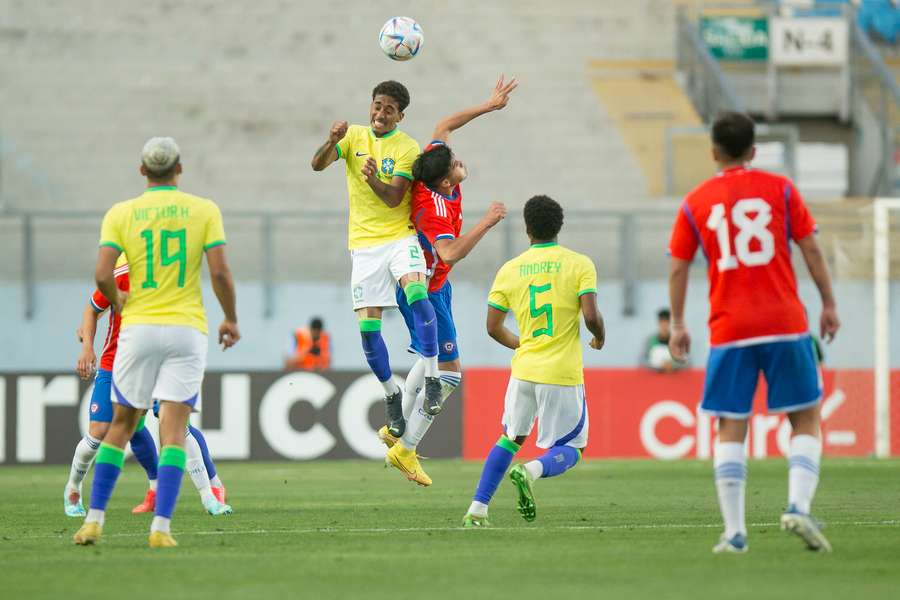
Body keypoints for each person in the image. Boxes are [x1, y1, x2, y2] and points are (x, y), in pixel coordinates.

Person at [667, 112, 840, 554]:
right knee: (804, 416)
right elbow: (811, 247)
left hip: (730, 327)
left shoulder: (695, 202)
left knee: (731, 424)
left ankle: (735, 532)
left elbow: (679, 266)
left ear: (713, 152)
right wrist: (829, 303)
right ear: (754, 150)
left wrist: (680, 323)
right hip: (785, 321)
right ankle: (798, 505)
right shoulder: (781, 189)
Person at [73, 136, 240, 548]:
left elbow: (101, 275)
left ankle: (93, 521)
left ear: (142, 171)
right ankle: (161, 530)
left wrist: (118, 300)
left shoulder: (121, 213)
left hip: (139, 328)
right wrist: (231, 318)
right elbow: (219, 273)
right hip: (186, 328)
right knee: (174, 429)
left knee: (121, 426)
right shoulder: (204, 210)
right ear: (179, 169)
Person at [380, 75, 516, 486]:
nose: (460, 161)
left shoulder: (436, 165)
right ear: (444, 182)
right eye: (456, 163)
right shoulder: (434, 207)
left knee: (428, 359)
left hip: (437, 285)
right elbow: (450, 252)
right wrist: (488, 222)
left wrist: (488, 106)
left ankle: (395, 429)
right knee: (451, 374)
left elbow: (443, 126)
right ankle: (406, 450)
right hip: (423, 287)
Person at [462, 196, 605, 527]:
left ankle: (477, 511)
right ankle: (530, 470)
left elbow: (493, 327)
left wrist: (522, 344)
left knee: (509, 438)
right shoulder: (579, 263)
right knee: (573, 447)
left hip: (523, 371)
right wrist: (600, 335)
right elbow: (590, 314)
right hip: (561, 373)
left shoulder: (510, 270)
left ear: (527, 229)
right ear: (559, 227)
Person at [310, 81, 440, 438]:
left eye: (389, 109)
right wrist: (330, 140)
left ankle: (432, 380)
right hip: (364, 247)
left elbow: (395, 199)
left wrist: (370, 180)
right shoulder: (351, 136)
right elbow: (317, 164)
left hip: (400, 237)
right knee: (368, 332)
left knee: (417, 296)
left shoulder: (407, 147)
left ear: (401, 115)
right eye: (377, 106)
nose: (380, 114)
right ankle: (391, 393)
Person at [65, 258, 160, 517]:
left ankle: (159, 488)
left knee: (138, 425)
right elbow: (92, 309)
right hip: (113, 363)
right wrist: (87, 348)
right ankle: (73, 487)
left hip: (144, 365)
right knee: (99, 431)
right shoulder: (125, 272)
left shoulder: (170, 277)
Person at [643, 308, 687, 372]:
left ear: (670, 323)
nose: (664, 325)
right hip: (654, 377)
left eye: (666, 322)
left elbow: (687, 361)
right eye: (662, 322)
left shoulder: (678, 341)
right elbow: (642, 361)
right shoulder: (650, 340)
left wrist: (674, 366)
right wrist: (658, 367)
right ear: (658, 323)